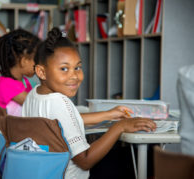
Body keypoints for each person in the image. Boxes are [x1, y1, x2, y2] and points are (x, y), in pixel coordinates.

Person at [22, 27, 156, 179]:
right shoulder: (60, 102)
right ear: (41, 72)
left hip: (44, 173)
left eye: (77, 67)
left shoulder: (33, 95)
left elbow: (63, 121)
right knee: (142, 158)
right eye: (64, 69)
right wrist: (120, 127)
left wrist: (108, 114)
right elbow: (85, 160)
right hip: (69, 175)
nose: (75, 76)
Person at [0, 28, 41, 117]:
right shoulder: (4, 83)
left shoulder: (26, 82)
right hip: (4, 131)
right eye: (37, 60)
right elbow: (34, 105)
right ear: (24, 61)